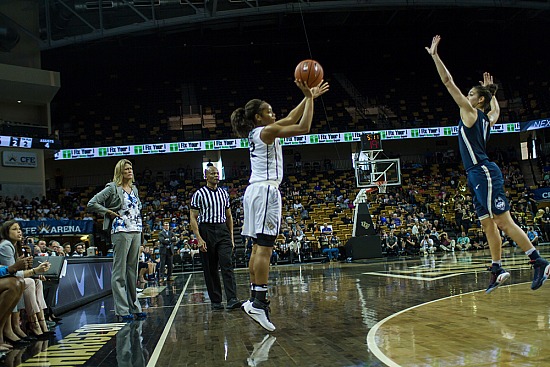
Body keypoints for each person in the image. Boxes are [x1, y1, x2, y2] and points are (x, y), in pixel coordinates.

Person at [426, 35, 550, 293]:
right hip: (476, 174)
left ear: (477, 101)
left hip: (483, 172)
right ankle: (497, 267)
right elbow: (496, 111)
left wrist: (436, 56)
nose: (467, 96)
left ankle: (538, 261)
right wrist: (491, 92)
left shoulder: (470, 113)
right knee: (487, 223)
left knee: (504, 222)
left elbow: (448, 82)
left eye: (471, 94)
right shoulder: (486, 117)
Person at [230, 77, 329, 331]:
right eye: (269, 111)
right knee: (265, 248)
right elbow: (304, 126)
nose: (274, 114)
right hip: (265, 191)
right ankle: (259, 304)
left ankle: (254, 299)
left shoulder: (259, 131)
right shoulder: (267, 131)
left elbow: (290, 118)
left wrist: (309, 97)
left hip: (254, 191)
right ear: (258, 118)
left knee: (256, 248)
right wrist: (308, 98)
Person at [87, 158, 146, 321]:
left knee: (132, 271)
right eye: (126, 169)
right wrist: (108, 212)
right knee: (119, 271)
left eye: (131, 168)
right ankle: (122, 309)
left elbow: (137, 211)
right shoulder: (112, 187)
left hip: (135, 230)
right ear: (120, 171)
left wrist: (142, 237)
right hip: (120, 230)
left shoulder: (133, 188)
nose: (130, 171)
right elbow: (92, 203)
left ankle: (134, 306)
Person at [190, 165, 242, 311]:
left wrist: (231, 237)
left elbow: (229, 216)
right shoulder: (199, 194)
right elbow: (193, 218)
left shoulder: (224, 193)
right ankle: (216, 301)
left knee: (227, 263)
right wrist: (199, 238)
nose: (216, 175)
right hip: (206, 230)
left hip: (222, 229)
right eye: (212, 173)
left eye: (217, 173)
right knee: (210, 268)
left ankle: (232, 298)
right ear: (206, 176)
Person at [0, 220, 53, 345]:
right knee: (24, 282)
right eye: (14, 229)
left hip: (10, 277)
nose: (19, 231)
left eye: (19, 229)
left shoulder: (15, 245)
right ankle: (30, 323)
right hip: (8, 280)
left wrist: (32, 270)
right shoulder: (6, 245)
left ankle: (41, 321)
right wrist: (34, 271)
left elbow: (14, 269)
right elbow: (11, 273)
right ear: (6, 232)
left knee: (36, 282)